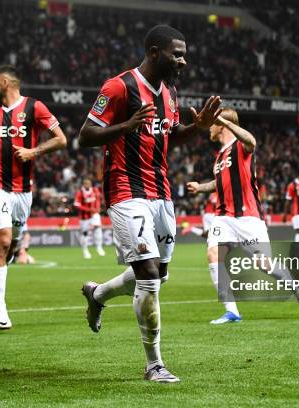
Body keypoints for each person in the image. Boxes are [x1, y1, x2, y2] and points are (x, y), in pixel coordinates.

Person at [78, 25, 221, 383]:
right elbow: (85, 137)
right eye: (177, 54)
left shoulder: (170, 93)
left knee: (160, 273)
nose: (183, 61)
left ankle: (97, 294)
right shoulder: (119, 87)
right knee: (148, 276)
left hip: (161, 191)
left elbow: (171, 136)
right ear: (155, 52)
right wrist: (125, 126)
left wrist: (198, 128)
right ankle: (154, 364)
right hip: (126, 190)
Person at [187, 108, 299, 324]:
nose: (209, 127)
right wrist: (201, 187)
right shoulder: (219, 157)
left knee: (264, 265)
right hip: (224, 217)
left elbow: (252, 141)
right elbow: (218, 183)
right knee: (213, 254)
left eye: (213, 123)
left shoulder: (240, 146)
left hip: (248, 217)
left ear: (221, 124)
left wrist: (222, 120)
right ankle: (232, 311)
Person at [0, 65, 67, 330]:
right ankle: (0, 306)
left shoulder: (35, 108)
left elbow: (61, 140)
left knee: (11, 247)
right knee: (2, 241)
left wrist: (34, 152)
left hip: (23, 190)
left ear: (4, 82)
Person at [74, 178, 105, 259]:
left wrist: (97, 208)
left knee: (98, 229)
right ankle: (85, 250)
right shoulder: (80, 192)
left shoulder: (95, 190)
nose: (88, 185)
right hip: (85, 217)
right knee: (85, 234)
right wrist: (88, 209)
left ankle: (99, 247)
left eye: (89, 183)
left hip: (94, 214)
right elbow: (76, 204)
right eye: (86, 183)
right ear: (83, 184)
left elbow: (98, 199)